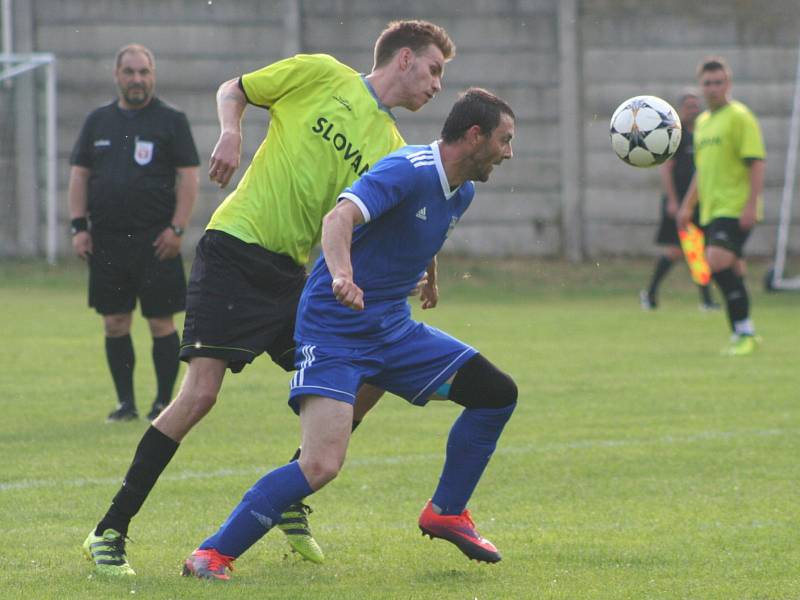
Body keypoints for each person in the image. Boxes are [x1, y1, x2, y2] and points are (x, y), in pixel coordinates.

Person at [81, 20, 456, 577]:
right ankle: (109, 531)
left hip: (295, 279)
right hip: (235, 248)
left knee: (368, 372)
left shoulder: (392, 147)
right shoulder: (322, 74)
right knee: (199, 396)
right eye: (434, 69)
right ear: (404, 59)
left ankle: (292, 491)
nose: (437, 85)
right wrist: (231, 131)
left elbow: (400, 217)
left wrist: (427, 269)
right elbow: (235, 89)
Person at [181, 88, 517, 581]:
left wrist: (431, 276)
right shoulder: (407, 168)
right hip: (334, 329)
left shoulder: (461, 189)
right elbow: (339, 217)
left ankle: (446, 512)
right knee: (320, 465)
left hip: (393, 332)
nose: (508, 153)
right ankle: (211, 554)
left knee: (496, 393)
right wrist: (342, 274)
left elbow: (421, 229)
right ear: (474, 135)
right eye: (505, 140)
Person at [67, 44, 199, 423]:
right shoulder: (98, 121)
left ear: (153, 75)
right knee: (115, 322)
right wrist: (79, 227)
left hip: (156, 241)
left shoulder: (171, 120)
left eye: (144, 72)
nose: (137, 79)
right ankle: (126, 404)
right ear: (117, 76)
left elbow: (189, 178)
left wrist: (177, 228)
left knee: (161, 322)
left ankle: (162, 403)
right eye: (130, 72)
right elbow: (79, 175)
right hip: (107, 241)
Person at [678, 57, 766, 356]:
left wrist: (751, 205)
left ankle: (744, 331)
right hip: (711, 209)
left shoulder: (740, 117)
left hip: (735, 206)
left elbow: (755, 163)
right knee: (731, 268)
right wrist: (687, 206)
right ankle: (744, 332)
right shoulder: (702, 123)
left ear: (727, 84)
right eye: (707, 83)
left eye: (718, 82)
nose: (713, 88)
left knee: (715, 261)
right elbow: (701, 171)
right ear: (700, 87)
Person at [640, 91, 719, 311]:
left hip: (697, 202)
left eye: (696, 105)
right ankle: (650, 293)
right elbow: (666, 169)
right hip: (678, 202)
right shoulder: (676, 135)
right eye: (689, 106)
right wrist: (673, 201)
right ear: (680, 110)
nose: (693, 109)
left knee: (697, 250)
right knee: (677, 251)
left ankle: (705, 300)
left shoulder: (703, 132)